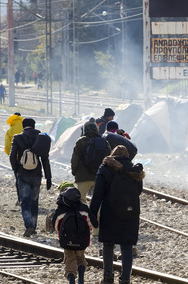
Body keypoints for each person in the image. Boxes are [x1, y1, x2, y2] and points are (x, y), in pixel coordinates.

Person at [90, 145, 145, 284]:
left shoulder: (105, 168)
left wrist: (92, 215)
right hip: (130, 213)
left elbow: (97, 195)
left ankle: (108, 277)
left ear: (112, 154)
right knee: (127, 245)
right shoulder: (135, 170)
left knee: (108, 245)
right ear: (127, 156)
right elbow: (138, 191)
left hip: (110, 212)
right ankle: (125, 279)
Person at [9, 118, 52, 237]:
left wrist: (16, 169)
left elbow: (12, 156)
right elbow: (45, 159)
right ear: (34, 126)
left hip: (22, 174)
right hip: (37, 174)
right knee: (34, 201)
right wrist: (49, 178)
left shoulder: (17, 138)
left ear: (23, 126)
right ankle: (33, 224)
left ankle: (29, 226)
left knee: (25, 201)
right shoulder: (40, 138)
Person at [52, 187, 98, 284]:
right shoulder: (84, 208)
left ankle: (71, 279)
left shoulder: (60, 210)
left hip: (67, 240)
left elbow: (55, 226)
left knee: (70, 259)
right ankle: (81, 277)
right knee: (80, 257)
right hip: (82, 240)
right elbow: (93, 225)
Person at [71, 117, 111, 204]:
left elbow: (75, 159)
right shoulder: (104, 142)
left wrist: (74, 172)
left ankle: (84, 216)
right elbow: (109, 159)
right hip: (99, 176)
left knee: (81, 199)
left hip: (82, 176)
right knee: (98, 201)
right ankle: (98, 217)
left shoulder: (81, 141)